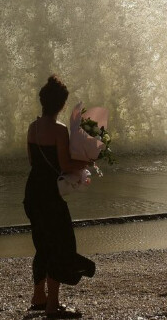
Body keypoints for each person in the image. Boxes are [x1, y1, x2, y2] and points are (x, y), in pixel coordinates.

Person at [23, 75, 95, 319]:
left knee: (42, 244)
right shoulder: (59, 130)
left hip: (32, 191)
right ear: (62, 105)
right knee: (60, 245)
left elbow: (33, 161)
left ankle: (38, 297)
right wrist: (86, 161)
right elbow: (64, 164)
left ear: (42, 101)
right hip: (49, 195)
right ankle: (53, 306)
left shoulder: (32, 127)